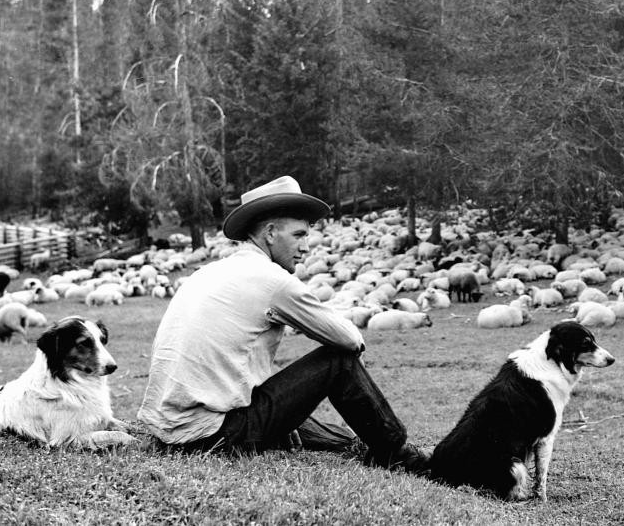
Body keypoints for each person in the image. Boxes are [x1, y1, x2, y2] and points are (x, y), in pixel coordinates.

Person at [137, 176, 430, 474]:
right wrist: (353, 358)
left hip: (170, 431)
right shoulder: (272, 280)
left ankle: (354, 443)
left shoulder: (209, 272)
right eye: (299, 235)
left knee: (300, 409)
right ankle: (395, 451)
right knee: (338, 362)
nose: (307, 246)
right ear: (271, 233)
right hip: (213, 434)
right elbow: (350, 340)